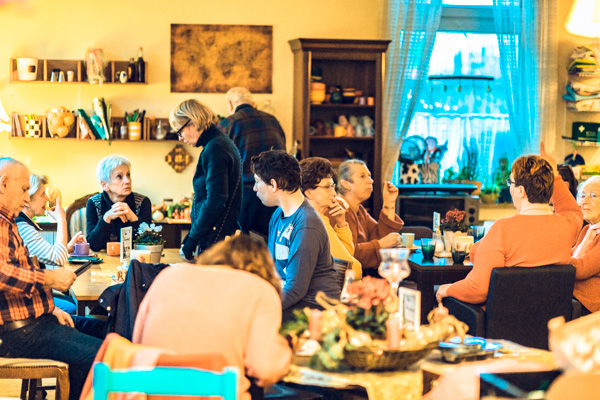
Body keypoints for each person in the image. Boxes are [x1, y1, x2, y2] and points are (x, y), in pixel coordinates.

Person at [132, 234, 292, 400]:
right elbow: (265, 369)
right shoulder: (261, 289)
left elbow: (138, 343)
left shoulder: (168, 275)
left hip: (150, 393)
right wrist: (287, 348)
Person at [0, 157, 102, 400]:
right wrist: (51, 279)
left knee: (107, 332)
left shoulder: (9, 221)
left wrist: (51, 308)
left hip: (33, 322)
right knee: (105, 357)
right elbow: (3, 274)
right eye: (24, 189)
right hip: (19, 332)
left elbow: (19, 274)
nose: (27, 198)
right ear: (3, 184)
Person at [436, 143, 583, 305]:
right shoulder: (567, 225)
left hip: (501, 317)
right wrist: (554, 174)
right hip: (552, 317)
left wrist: (447, 289)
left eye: (510, 182)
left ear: (521, 191)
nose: (509, 187)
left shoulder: (502, 229)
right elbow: (573, 211)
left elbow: (478, 290)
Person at [251, 150, 340, 320]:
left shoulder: (306, 223)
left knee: (252, 319)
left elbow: (296, 290)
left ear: (273, 184)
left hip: (316, 305)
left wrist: (260, 308)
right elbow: (273, 270)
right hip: (295, 298)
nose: (255, 188)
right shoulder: (278, 214)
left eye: (257, 181)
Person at [169, 99, 242, 260]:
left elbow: (215, 201)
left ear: (193, 124)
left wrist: (193, 238)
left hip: (215, 239)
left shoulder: (215, 148)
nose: (180, 138)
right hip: (217, 234)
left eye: (180, 131)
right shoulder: (219, 143)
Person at [218, 87, 286, 237]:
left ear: (230, 104)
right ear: (252, 103)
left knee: (245, 245)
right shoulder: (273, 121)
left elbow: (218, 164)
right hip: (276, 193)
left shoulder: (228, 123)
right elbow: (284, 156)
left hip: (244, 195)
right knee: (272, 241)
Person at [16, 173, 86, 314]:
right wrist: (61, 220)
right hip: (30, 299)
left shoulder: (24, 224)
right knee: (73, 307)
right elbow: (57, 258)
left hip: (36, 291)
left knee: (72, 301)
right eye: (42, 194)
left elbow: (49, 254)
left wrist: (68, 247)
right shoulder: (23, 228)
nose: (47, 199)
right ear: (27, 200)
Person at [299, 157, 362, 279]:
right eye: (327, 187)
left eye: (333, 186)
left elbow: (346, 256)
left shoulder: (312, 216)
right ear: (309, 192)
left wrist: (341, 224)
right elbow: (353, 269)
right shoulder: (314, 221)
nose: (334, 193)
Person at [337, 159, 404, 272]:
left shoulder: (359, 209)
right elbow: (348, 254)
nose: (371, 181)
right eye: (362, 176)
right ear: (346, 184)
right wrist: (381, 244)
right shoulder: (338, 211)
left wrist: (389, 202)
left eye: (369, 176)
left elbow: (380, 235)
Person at [86, 155, 151, 252]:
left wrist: (133, 218)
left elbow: (149, 243)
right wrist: (106, 218)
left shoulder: (142, 202)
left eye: (128, 175)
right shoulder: (94, 203)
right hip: (103, 260)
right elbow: (93, 245)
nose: (127, 181)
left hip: (134, 259)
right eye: (119, 177)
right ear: (105, 185)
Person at [569, 176, 600, 315]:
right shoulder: (588, 229)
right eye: (582, 195)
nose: (585, 201)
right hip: (575, 299)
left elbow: (581, 268)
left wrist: (553, 258)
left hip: (591, 307)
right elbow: (571, 255)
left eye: (593, 195)